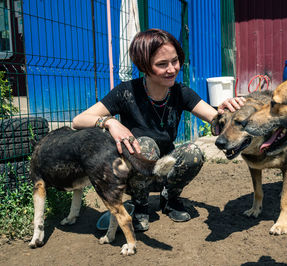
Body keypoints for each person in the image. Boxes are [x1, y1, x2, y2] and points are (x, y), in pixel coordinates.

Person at [72, 28, 245, 231]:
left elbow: (215, 120)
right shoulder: (126, 92)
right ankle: (139, 205)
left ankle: (169, 198)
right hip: (133, 170)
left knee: (193, 153)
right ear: (145, 67)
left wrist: (226, 113)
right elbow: (78, 120)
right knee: (146, 144)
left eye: (175, 61)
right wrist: (109, 122)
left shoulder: (181, 92)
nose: (171, 69)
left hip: (164, 170)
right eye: (162, 64)